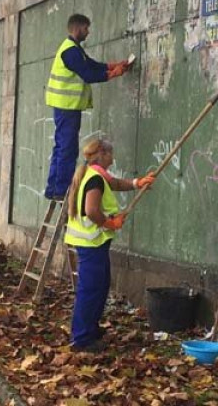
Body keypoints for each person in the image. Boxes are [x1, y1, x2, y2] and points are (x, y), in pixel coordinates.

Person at [64, 139, 155, 352]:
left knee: (100, 286)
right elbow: (92, 210)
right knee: (91, 290)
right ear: (102, 154)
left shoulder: (94, 174)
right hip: (91, 243)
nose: (113, 158)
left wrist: (137, 183)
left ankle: (90, 329)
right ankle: (82, 338)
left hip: (94, 243)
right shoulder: (94, 179)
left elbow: (115, 183)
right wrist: (110, 222)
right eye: (111, 154)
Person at [44, 13, 133, 200]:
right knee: (67, 149)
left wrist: (113, 66)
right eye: (86, 28)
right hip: (67, 107)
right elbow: (88, 74)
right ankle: (62, 190)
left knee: (61, 148)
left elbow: (91, 64)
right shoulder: (70, 51)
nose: (88, 32)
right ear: (77, 28)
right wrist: (113, 74)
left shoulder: (73, 48)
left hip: (66, 107)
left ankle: (53, 188)